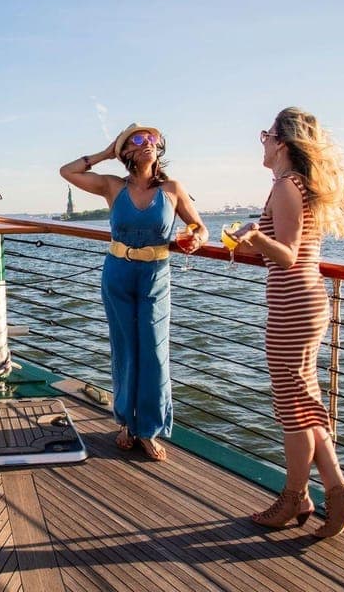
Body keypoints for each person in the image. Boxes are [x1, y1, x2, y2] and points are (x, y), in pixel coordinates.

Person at [230, 107, 344, 538]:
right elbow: (280, 249)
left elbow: (287, 253)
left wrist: (256, 236)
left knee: (292, 409)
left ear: (282, 143)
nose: (263, 142)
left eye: (266, 134)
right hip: (300, 303)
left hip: (294, 306)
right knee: (304, 402)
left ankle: (293, 497)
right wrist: (247, 242)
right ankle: (339, 492)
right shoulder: (289, 187)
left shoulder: (288, 187)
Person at [60, 123, 207, 461]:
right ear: (125, 152)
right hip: (118, 273)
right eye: (137, 140)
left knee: (154, 353)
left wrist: (196, 237)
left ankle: (150, 430)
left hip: (156, 274)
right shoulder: (113, 186)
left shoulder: (172, 189)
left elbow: (199, 226)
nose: (147, 143)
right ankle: (126, 423)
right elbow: (67, 171)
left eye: (152, 139)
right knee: (125, 350)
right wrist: (105, 152)